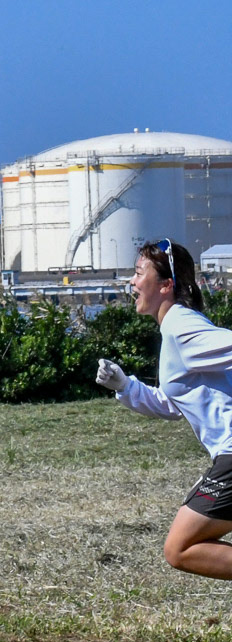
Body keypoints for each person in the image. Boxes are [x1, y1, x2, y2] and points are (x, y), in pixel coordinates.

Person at [98, 239, 232, 579]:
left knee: (180, 548)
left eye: (138, 273)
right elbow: (173, 404)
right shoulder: (175, 326)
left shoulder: (181, 325)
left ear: (165, 285)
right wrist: (125, 386)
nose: (132, 281)